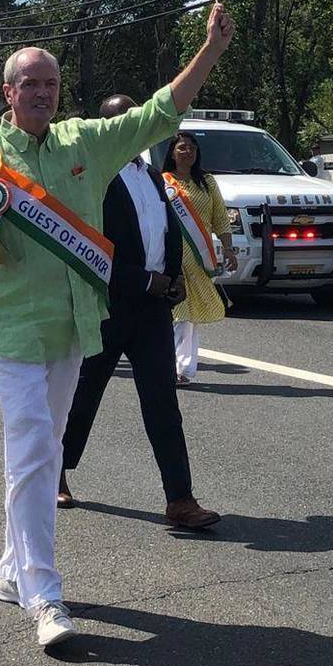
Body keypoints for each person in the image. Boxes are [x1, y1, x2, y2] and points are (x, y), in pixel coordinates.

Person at [0, 3, 235, 648]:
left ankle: (10, 570)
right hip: (11, 331)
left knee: (41, 453)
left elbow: (157, 113)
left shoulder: (84, 141)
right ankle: (45, 594)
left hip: (74, 328)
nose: (42, 92)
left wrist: (212, 51)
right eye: (30, 83)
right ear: (8, 93)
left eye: (51, 83)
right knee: (32, 447)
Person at [59, 95, 220, 530]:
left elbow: (164, 230)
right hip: (109, 306)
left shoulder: (151, 176)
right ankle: (57, 471)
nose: (134, 129)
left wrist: (172, 275)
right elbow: (87, 247)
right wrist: (139, 279)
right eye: (123, 122)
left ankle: (180, 498)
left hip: (152, 310)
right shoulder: (93, 178)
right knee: (84, 396)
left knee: (162, 401)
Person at [162, 132, 238, 383]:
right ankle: (176, 369)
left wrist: (228, 249)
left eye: (192, 148)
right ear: (172, 152)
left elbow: (220, 219)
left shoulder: (207, 182)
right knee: (180, 314)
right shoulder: (163, 182)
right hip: (172, 257)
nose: (188, 152)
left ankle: (184, 369)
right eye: (182, 148)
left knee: (192, 318)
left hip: (200, 258)